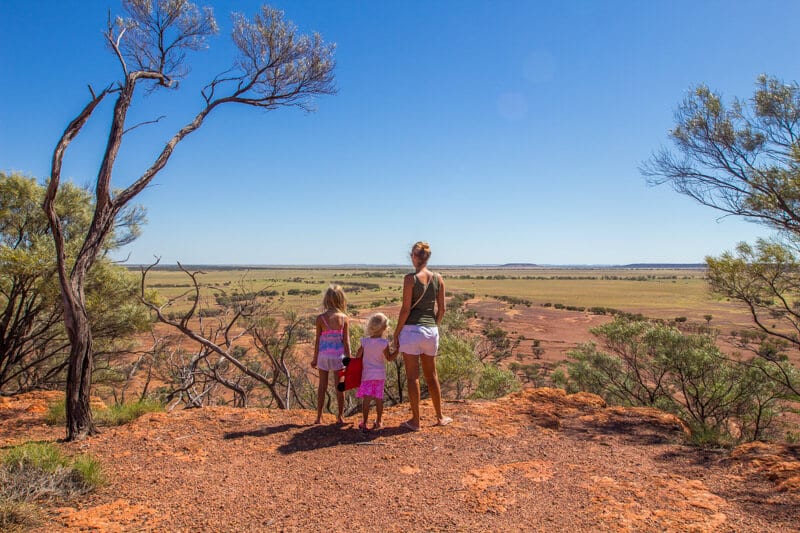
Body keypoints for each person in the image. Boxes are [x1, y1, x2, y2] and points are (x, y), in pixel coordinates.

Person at [393, 241, 452, 431]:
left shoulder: (410, 279)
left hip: (411, 331)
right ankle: (440, 416)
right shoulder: (438, 279)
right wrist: (434, 325)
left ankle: (416, 421)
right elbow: (442, 309)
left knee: (412, 377)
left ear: (414, 257)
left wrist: (396, 333)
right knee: (432, 375)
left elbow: (404, 309)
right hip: (430, 331)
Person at [311, 285, 351, 424]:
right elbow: (346, 341)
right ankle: (340, 416)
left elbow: (317, 340)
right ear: (341, 299)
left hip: (323, 356)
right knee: (340, 387)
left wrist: (315, 358)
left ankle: (319, 416)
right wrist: (349, 359)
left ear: (326, 300)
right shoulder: (344, 318)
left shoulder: (320, 318)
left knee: (322, 386)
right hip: (338, 357)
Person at [355, 313, 395, 431]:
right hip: (380, 375)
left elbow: (357, 356)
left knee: (366, 399)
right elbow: (389, 358)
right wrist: (397, 351)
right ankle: (378, 421)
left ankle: (365, 422)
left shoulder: (365, 342)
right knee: (379, 399)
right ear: (384, 328)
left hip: (367, 374)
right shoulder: (384, 343)